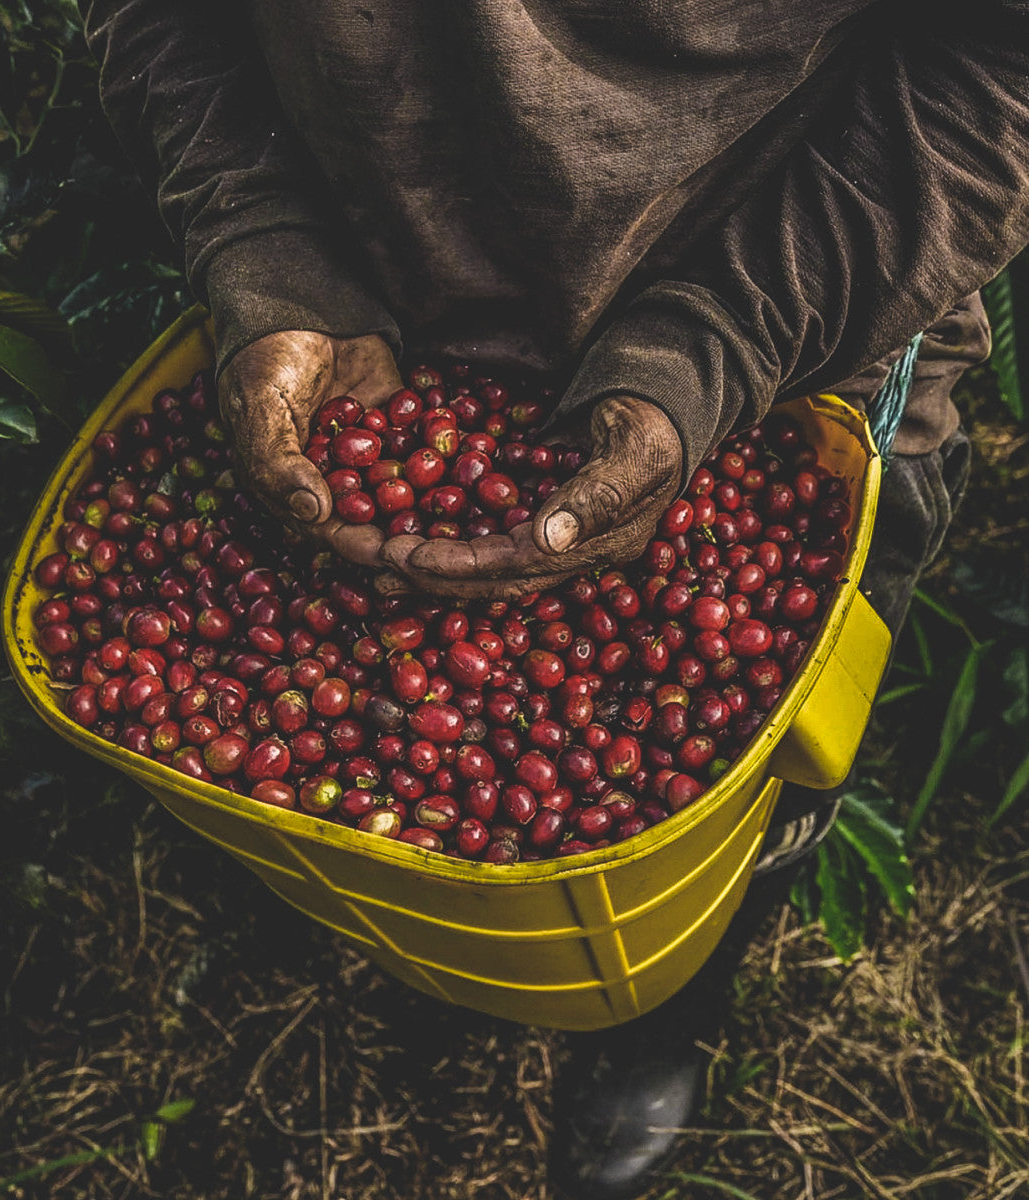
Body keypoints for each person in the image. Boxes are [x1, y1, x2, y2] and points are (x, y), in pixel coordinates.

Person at [78, 3, 1027, 1196]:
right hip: (366, 328)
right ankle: (424, 943)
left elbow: (999, 71)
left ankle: (662, 1014)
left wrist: (714, 350)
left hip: (789, 350)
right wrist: (265, 243)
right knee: (439, 779)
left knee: (752, 781)